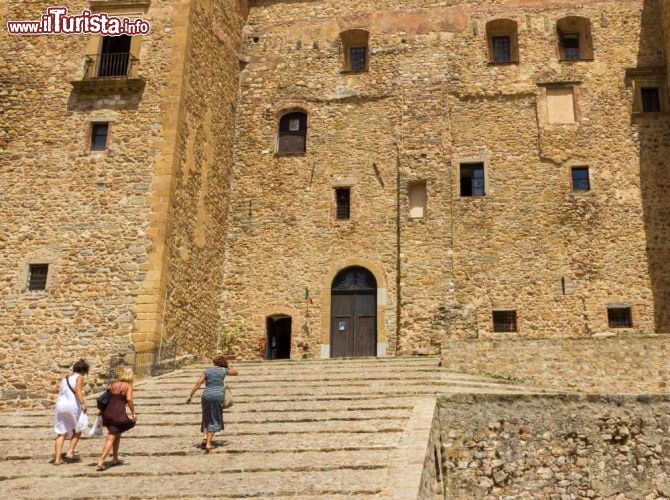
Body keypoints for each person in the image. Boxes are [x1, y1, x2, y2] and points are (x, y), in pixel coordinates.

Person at [186, 356, 238, 452]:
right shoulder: (223, 370)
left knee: (206, 417)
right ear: (222, 363)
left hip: (206, 396)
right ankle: (209, 444)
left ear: (214, 363)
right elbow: (236, 372)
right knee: (215, 418)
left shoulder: (207, 371)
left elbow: (198, 384)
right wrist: (227, 366)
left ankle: (205, 438)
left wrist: (190, 396)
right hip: (218, 396)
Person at [96, 365, 136, 471]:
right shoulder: (128, 386)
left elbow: (106, 399)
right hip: (117, 414)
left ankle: (115, 458)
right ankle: (101, 461)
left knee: (117, 434)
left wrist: (101, 411)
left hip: (107, 413)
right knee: (111, 437)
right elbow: (129, 399)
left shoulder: (113, 385)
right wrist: (133, 413)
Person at [53, 359, 89, 465]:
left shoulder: (65, 378)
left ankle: (57, 459)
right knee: (78, 430)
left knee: (61, 432)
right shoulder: (80, 377)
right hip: (72, 406)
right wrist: (83, 403)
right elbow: (78, 390)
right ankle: (70, 452)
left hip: (60, 406)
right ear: (84, 370)